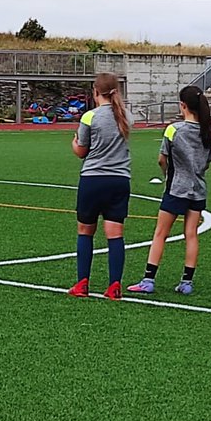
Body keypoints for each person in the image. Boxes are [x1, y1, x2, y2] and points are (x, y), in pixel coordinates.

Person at [128, 85, 211, 296]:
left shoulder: (174, 129)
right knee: (191, 234)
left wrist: (167, 173)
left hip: (176, 188)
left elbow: (162, 159)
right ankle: (186, 282)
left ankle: (148, 280)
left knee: (160, 233)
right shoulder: (207, 132)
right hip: (198, 189)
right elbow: (207, 163)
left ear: (183, 105)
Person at [69, 72, 132, 300]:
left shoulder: (90, 117)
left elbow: (81, 151)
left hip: (93, 179)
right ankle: (114, 285)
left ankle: (82, 283)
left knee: (85, 231)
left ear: (95, 92)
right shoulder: (127, 116)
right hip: (119, 180)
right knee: (115, 234)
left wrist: (74, 143)